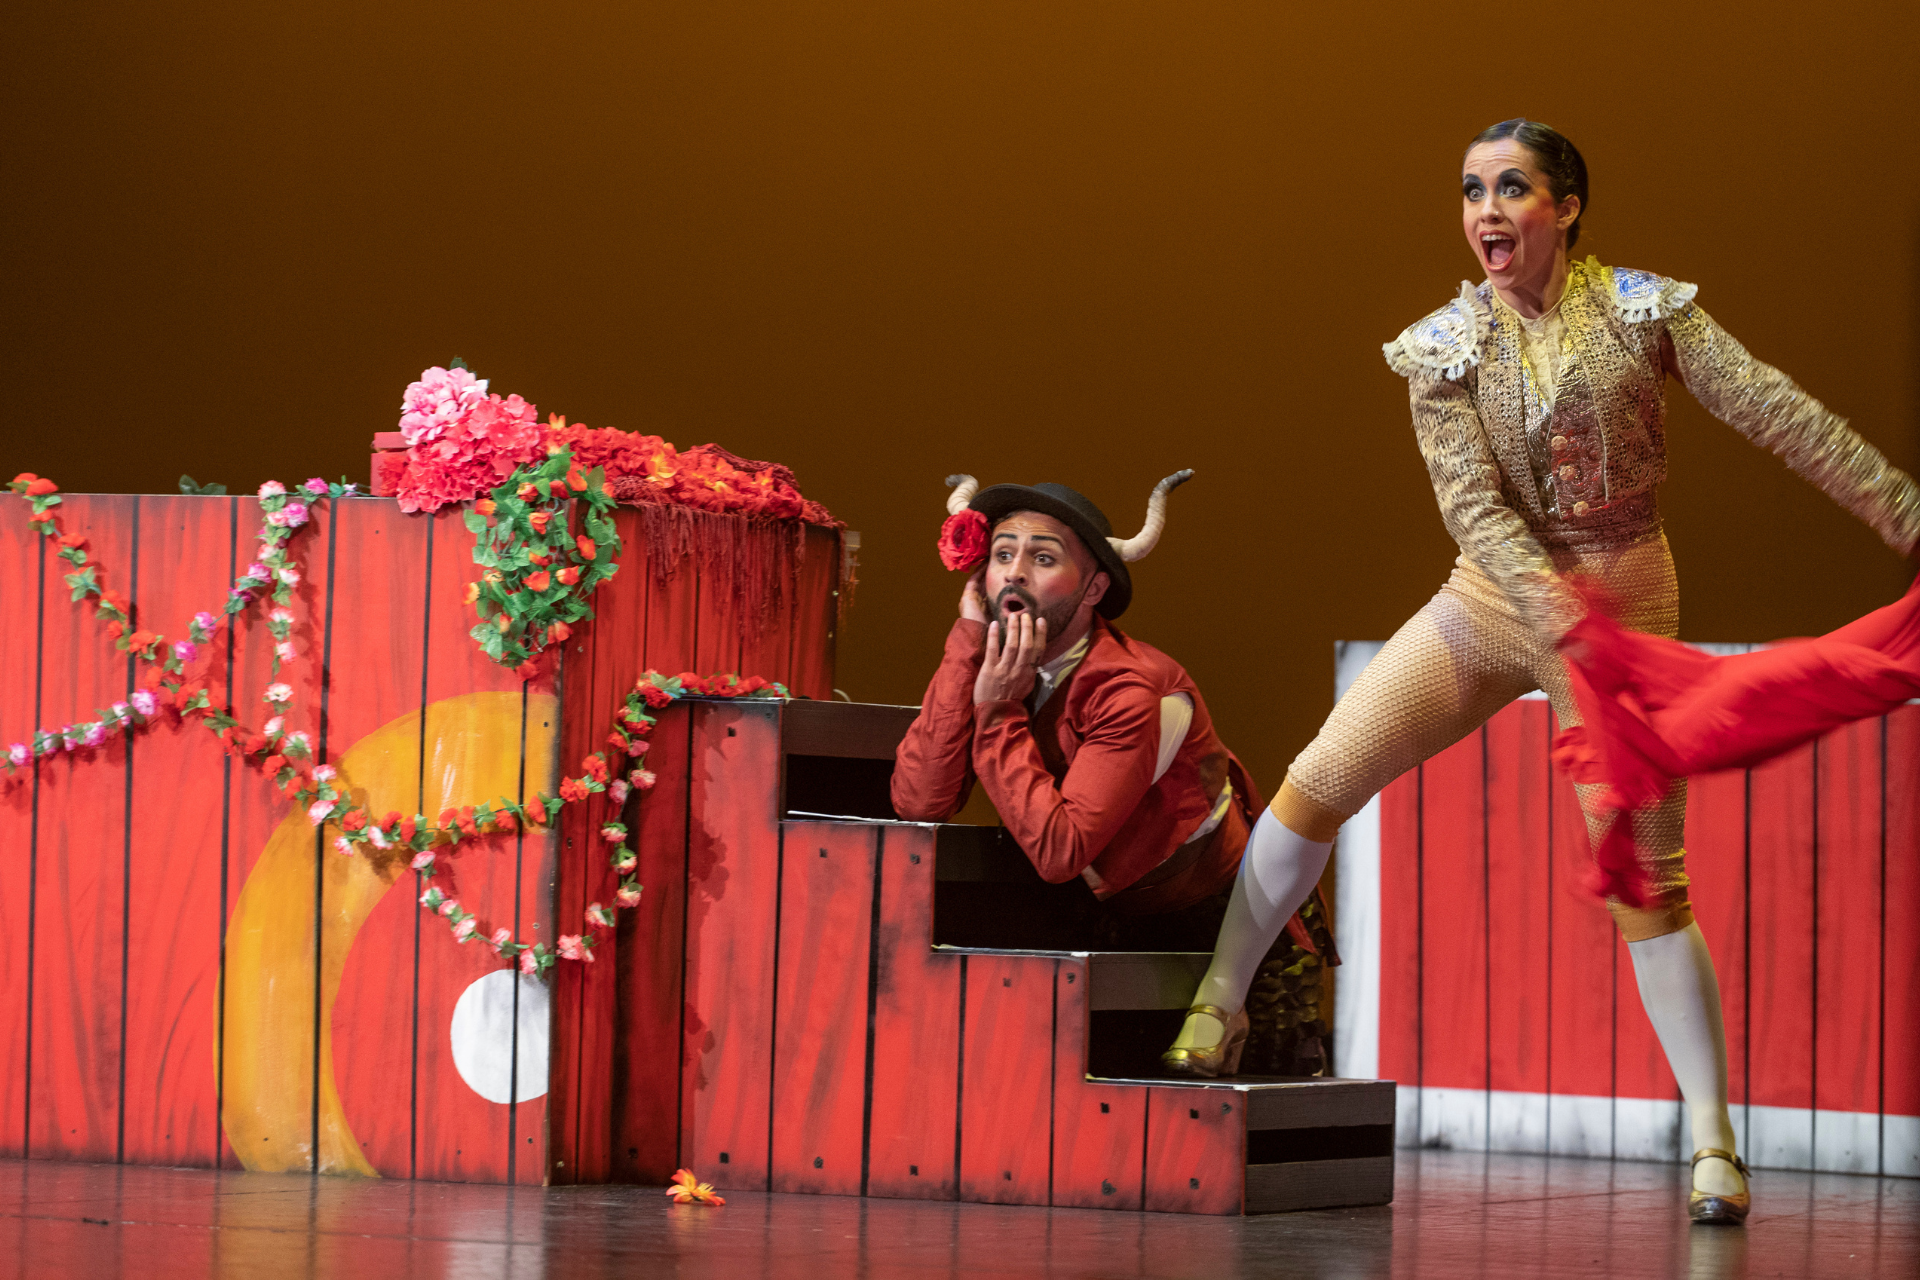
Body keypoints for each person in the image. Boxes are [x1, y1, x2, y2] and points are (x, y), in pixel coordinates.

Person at [1161, 118, 1920, 1225]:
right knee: (1320, 776)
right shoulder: (1440, 347)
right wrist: (1557, 616)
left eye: (1510, 188)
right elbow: (1473, 507)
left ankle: (1714, 1138)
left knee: (1647, 878)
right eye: (1471, 191)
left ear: (1565, 208)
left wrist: (1901, 508)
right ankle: (1220, 999)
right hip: (1491, 602)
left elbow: (1770, 407)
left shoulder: (1646, 309)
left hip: (1627, 601)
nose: (1485, 211)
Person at [892, 474, 1331, 1044]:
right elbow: (919, 803)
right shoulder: (992, 663)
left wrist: (998, 712)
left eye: (1043, 558)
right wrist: (966, 643)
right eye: (1002, 555)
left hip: (1220, 930)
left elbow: (1060, 851)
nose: (1015, 573)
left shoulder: (1130, 688)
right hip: (1111, 924)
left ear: (1094, 588)